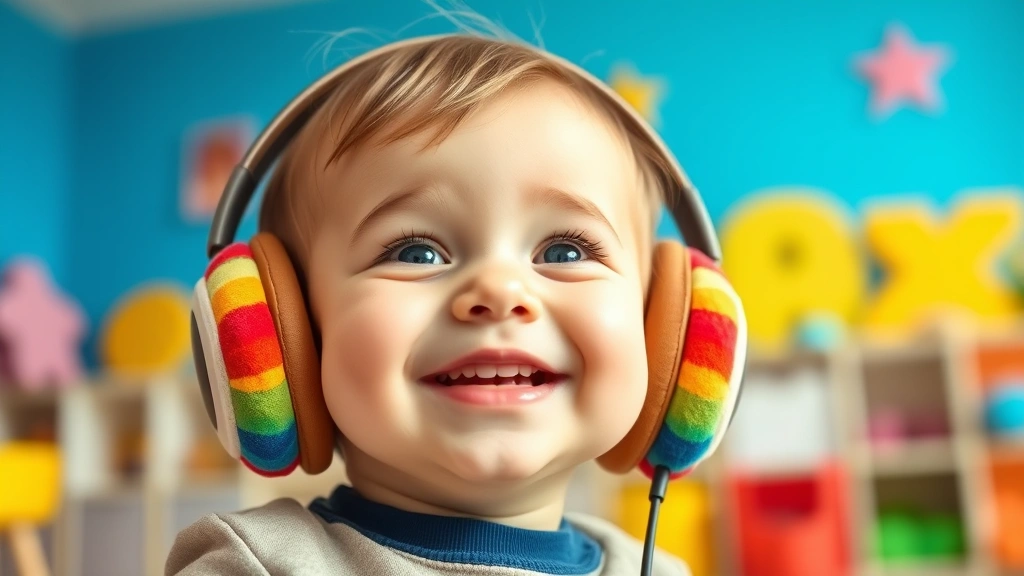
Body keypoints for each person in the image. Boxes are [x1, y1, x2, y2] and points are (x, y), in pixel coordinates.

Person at [171, 27, 746, 576]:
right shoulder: (254, 564)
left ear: (664, 332)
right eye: (417, 252)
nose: (498, 292)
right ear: (289, 336)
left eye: (566, 251)